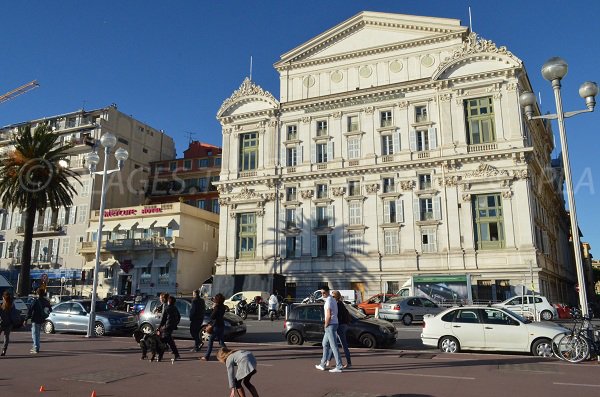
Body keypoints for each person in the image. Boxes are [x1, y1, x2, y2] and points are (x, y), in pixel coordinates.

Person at [315, 286, 343, 372]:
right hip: (334, 323)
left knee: (333, 345)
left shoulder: (328, 302)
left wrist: (325, 325)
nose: (323, 294)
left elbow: (328, 315)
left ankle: (339, 366)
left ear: (328, 292)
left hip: (330, 324)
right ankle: (323, 364)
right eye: (322, 293)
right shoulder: (332, 300)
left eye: (324, 293)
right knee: (325, 343)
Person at [326, 290, 352, 369]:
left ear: (336, 297)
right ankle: (328, 360)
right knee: (334, 343)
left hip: (340, 326)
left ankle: (348, 363)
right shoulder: (341, 303)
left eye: (333, 296)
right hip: (343, 325)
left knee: (340, 345)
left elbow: (335, 316)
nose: (332, 297)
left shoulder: (337, 304)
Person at [201, 293, 226, 361]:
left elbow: (212, 316)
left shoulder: (217, 307)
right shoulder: (223, 306)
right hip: (221, 325)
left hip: (216, 326)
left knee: (211, 341)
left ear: (217, 300)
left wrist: (213, 308)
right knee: (221, 342)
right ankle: (228, 354)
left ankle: (206, 356)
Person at [27, 288, 52, 354]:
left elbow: (30, 309)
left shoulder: (35, 301)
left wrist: (26, 318)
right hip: (42, 319)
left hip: (35, 319)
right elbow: (50, 309)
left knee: (35, 334)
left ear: (37, 293)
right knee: (37, 334)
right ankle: (36, 346)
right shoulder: (46, 301)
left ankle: (36, 347)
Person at [158, 295, 180, 362]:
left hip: (166, 327)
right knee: (169, 341)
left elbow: (163, 320)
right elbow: (179, 316)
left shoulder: (167, 308)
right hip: (171, 326)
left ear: (168, 302)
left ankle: (160, 356)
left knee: (163, 341)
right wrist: (175, 323)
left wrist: (159, 327)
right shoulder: (175, 308)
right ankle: (176, 354)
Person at [1, 291, 21, 357]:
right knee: (6, 337)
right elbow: (14, 314)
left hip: (1, 323)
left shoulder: (2, 305)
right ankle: (4, 350)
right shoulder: (12, 305)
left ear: (3, 297)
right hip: (9, 323)